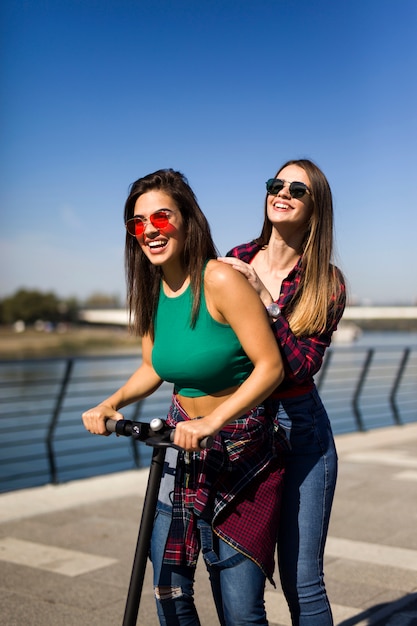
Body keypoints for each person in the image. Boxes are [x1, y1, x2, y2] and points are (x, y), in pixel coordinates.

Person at [82, 168, 287, 626]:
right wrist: (109, 404)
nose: (149, 230)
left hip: (240, 447)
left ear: (187, 219)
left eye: (160, 217)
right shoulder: (153, 291)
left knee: (239, 608)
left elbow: (270, 366)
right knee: (168, 588)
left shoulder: (219, 279)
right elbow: (154, 367)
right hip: (182, 441)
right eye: (137, 223)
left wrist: (213, 423)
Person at [219, 159, 346, 626]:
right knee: (239, 572)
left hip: (301, 436)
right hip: (243, 428)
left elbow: (301, 367)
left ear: (317, 209)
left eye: (299, 189)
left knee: (302, 580)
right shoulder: (235, 256)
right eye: (277, 184)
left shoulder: (325, 283)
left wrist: (268, 304)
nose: (283, 192)